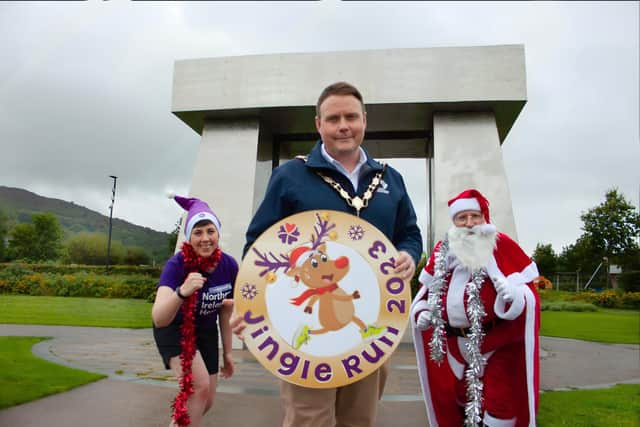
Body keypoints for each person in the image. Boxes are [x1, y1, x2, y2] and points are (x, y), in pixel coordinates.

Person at [232, 81, 423, 427]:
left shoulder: (389, 179)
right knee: (310, 420)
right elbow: (258, 244)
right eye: (333, 118)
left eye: (351, 116)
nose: (343, 126)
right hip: (304, 331)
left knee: (359, 419)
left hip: (371, 327)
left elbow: (409, 233)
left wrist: (409, 255)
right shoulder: (290, 176)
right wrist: (251, 305)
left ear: (364, 119)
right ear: (318, 124)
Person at [410, 189, 540, 427]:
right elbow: (425, 294)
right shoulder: (442, 252)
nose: (469, 223)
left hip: (497, 342)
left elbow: (528, 296)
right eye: (462, 218)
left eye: (475, 216)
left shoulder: (503, 246)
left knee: (500, 401)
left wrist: (513, 296)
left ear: (484, 218)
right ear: (454, 222)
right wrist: (422, 312)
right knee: (457, 399)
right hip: (453, 346)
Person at [152, 195, 236, 427]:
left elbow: (225, 311)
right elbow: (159, 318)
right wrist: (181, 292)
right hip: (174, 329)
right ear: (189, 237)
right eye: (197, 233)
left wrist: (228, 353)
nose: (205, 238)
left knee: (206, 401)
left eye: (210, 231)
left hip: (206, 332)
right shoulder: (176, 265)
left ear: (218, 233)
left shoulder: (229, 266)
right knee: (198, 388)